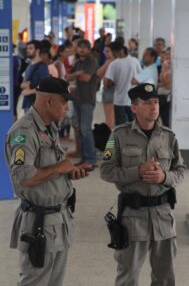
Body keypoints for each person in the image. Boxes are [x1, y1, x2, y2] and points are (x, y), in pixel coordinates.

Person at [4, 77, 92, 286]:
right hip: (39, 223)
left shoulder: (49, 127)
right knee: (35, 281)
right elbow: (23, 176)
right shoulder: (24, 132)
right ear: (50, 101)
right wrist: (59, 167)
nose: (66, 108)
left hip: (58, 220)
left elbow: (51, 169)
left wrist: (69, 172)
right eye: (64, 103)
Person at [100, 83, 185, 286]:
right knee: (128, 277)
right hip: (132, 219)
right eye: (147, 103)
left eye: (156, 102)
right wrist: (137, 171)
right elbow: (105, 170)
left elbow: (180, 171)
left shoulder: (169, 137)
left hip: (163, 218)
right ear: (134, 107)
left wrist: (164, 177)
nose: (153, 107)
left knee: (165, 278)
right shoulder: (117, 136)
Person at [67, 39, 99, 168]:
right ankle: (84, 157)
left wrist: (78, 74)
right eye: (79, 47)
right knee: (80, 129)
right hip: (77, 99)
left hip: (87, 100)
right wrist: (78, 73)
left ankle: (91, 159)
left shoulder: (91, 61)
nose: (81, 50)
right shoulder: (78, 62)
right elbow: (68, 77)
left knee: (85, 129)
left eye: (84, 47)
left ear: (89, 49)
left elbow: (86, 78)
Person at [104, 41, 141, 125]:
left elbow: (107, 83)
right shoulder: (134, 61)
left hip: (119, 101)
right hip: (133, 100)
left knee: (121, 127)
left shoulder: (114, 64)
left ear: (116, 51)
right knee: (134, 125)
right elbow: (140, 79)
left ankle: (123, 138)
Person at [21, 40, 49, 113]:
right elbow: (24, 83)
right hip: (27, 104)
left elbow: (45, 87)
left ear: (37, 51)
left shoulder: (42, 67)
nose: (27, 50)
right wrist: (23, 85)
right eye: (27, 48)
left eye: (30, 48)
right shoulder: (29, 66)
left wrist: (29, 91)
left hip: (37, 106)